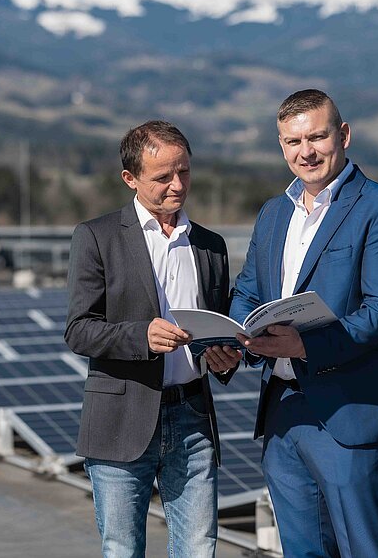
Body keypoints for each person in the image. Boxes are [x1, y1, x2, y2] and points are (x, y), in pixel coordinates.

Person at [230, 89, 378, 557]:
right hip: (282, 411)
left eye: (317, 137)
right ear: (281, 145)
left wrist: (305, 346)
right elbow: (248, 293)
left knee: (364, 551)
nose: (306, 151)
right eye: (293, 141)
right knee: (302, 551)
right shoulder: (273, 213)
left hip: (348, 414)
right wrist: (232, 338)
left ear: (344, 135)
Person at [64, 120, 242, 558]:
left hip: (192, 418)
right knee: (123, 549)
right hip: (120, 420)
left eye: (183, 171)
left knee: (200, 548)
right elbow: (79, 329)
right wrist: (140, 335)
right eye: (163, 177)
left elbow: (219, 325)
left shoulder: (211, 246)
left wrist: (226, 358)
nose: (177, 185)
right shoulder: (97, 237)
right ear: (130, 179)